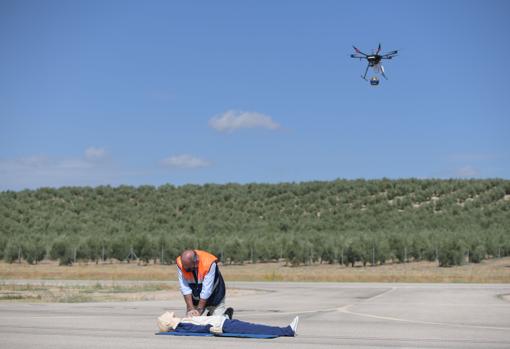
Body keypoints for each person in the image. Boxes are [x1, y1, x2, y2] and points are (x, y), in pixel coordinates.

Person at [157, 311, 298, 337]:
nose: (175, 315)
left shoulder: (183, 322)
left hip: (223, 321)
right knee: (255, 329)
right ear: (171, 321)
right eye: (172, 316)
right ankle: (287, 330)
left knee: (253, 327)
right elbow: (198, 329)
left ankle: (286, 330)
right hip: (223, 325)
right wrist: (211, 328)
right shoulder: (183, 326)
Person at [176, 249, 229, 317]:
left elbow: (206, 290)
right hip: (196, 295)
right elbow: (184, 288)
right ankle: (209, 316)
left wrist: (199, 310)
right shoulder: (181, 263)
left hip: (215, 294)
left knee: (217, 323)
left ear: (196, 262)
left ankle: (226, 315)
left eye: (188, 269)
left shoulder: (209, 263)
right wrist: (191, 308)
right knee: (190, 321)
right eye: (185, 268)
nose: (186, 270)